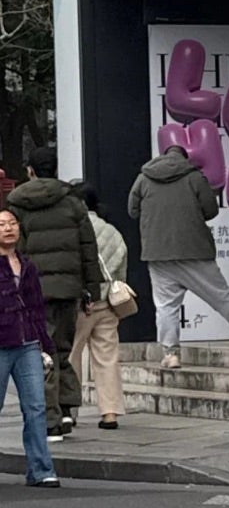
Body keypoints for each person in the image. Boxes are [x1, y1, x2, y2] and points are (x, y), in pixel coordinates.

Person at [127, 147, 229, 367]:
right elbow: (210, 210)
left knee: (166, 306)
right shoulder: (194, 176)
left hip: (158, 253)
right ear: (185, 158)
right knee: (220, 295)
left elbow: (132, 210)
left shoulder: (143, 178)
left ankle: (170, 354)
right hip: (195, 250)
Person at [4, 144, 99, 441]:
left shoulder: (17, 204)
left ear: (30, 171)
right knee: (62, 349)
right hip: (69, 289)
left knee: (40, 354)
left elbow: (14, 249)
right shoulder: (72, 202)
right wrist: (91, 291)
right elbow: (88, 248)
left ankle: (51, 421)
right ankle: (67, 408)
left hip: (32, 291)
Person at [0, 207, 60, 487]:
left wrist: (45, 345)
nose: (8, 228)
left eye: (12, 223)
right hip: (2, 342)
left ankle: (41, 470)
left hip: (28, 344)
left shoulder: (28, 265)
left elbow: (37, 307)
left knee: (36, 406)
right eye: (2, 224)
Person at [69, 184, 128, 431]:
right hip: (107, 304)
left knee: (71, 355)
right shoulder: (112, 231)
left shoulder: (72, 230)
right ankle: (110, 413)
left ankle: (69, 410)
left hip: (80, 304)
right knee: (107, 358)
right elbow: (121, 266)